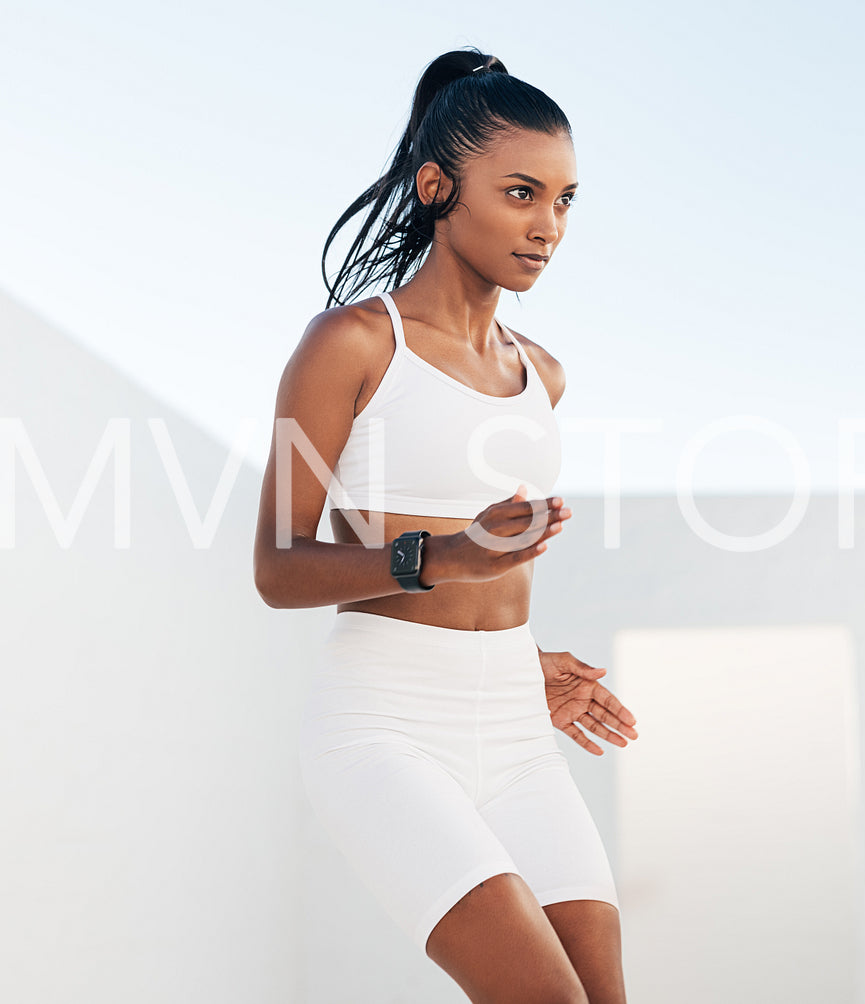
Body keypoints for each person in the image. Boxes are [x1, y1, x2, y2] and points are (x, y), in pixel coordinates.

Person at [253, 47, 639, 1004]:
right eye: (519, 193)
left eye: (564, 200)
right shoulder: (349, 345)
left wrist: (520, 658)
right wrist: (450, 555)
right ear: (437, 187)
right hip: (383, 729)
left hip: (512, 727)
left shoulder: (540, 374)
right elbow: (278, 567)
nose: (546, 226)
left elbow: (493, 590)